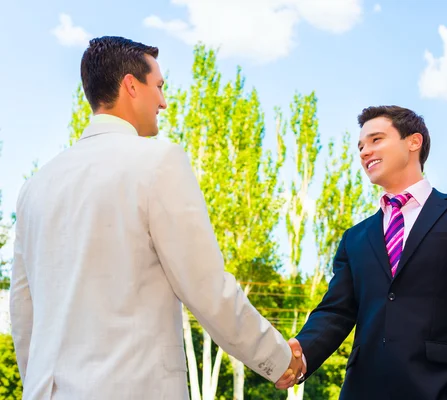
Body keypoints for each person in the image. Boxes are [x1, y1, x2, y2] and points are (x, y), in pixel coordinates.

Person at [9, 36, 302, 400]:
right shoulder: (158, 162)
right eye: (159, 86)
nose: (163, 101)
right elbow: (206, 287)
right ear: (131, 85)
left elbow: (23, 314)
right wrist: (276, 357)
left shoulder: (35, 186)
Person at [289, 106, 447, 399]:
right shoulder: (355, 238)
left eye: (376, 140)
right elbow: (335, 311)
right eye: (360, 146)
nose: (364, 151)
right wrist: (299, 355)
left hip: (441, 389)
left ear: (413, 142)